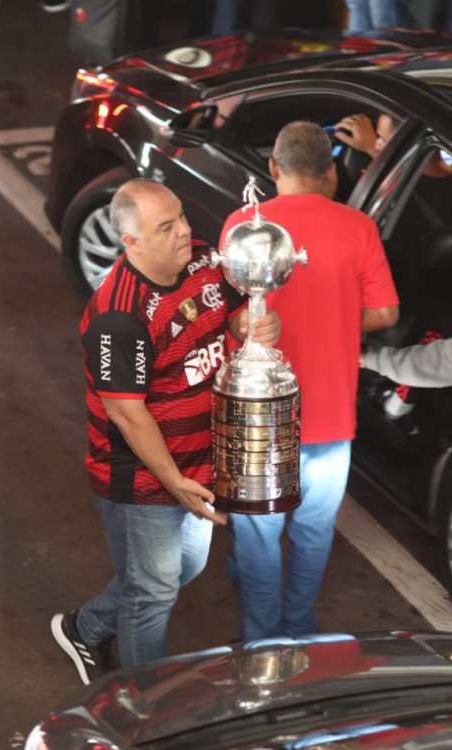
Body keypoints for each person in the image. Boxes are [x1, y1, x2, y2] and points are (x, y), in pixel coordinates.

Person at [51, 179, 279, 684]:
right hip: (146, 478)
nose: (185, 231)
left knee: (178, 572)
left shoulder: (203, 260)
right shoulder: (119, 315)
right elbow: (128, 413)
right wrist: (174, 481)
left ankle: (84, 627)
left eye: (180, 217)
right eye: (166, 226)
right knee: (153, 595)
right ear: (132, 242)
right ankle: (143, 708)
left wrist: (256, 328)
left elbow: (236, 315)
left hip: (202, 460)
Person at [221, 121, 400, 640]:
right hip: (329, 413)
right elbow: (386, 311)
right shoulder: (357, 226)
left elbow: (227, 312)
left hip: (258, 410)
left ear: (273, 168)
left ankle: (262, 641)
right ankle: (298, 624)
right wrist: (340, 313)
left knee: (256, 533)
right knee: (315, 530)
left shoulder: (244, 223)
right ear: (331, 175)